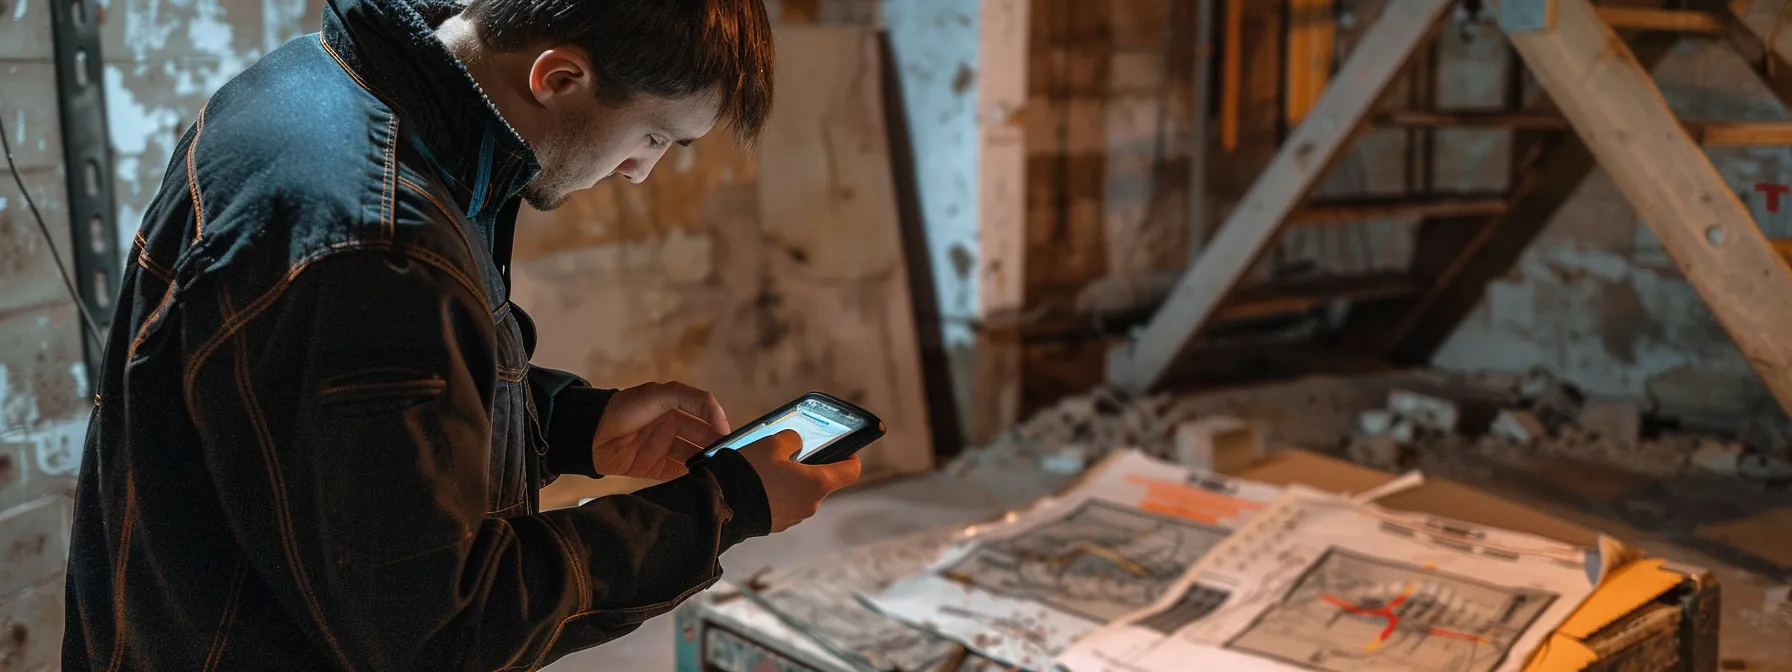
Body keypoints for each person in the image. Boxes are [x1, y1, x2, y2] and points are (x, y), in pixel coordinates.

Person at [61, 0, 862, 668]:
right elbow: (440, 627)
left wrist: (573, 426)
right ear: (558, 77)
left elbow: (325, 436)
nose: (639, 171)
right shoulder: (376, 242)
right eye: (654, 137)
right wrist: (723, 506)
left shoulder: (321, 82)